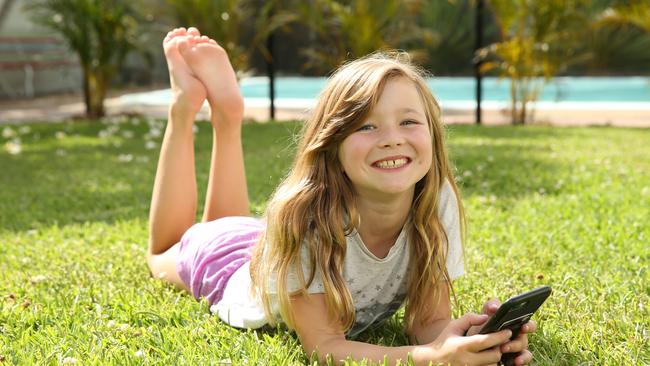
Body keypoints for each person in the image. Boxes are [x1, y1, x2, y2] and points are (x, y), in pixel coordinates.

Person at [147, 27, 537, 365]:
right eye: (366, 126)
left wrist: (461, 342)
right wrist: (429, 359)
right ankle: (186, 109)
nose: (393, 138)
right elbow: (325, 347)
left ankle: (227, 117)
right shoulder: (304, 217)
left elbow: (426, 323)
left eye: (408, 121)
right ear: (331, 145)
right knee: (167, 249)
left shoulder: (435, 199)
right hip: (232, 266)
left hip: (266, 245)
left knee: (229, 220)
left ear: (433, 134)